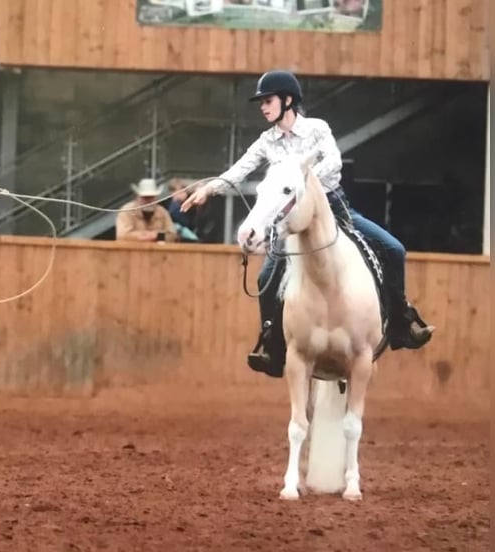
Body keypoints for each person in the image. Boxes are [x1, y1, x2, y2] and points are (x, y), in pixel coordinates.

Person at [181, 69, 434, 378]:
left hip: (334, 211)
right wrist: (208, 189)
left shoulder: (317, 129)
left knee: (394, 249)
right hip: (290, 224)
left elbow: (334, 162)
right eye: (261, 102)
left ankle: (400, 323)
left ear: (288, 101)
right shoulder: (266, 141)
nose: (263, 107)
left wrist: (299, 178)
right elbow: (240, 169)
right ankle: (272, 345)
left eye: (268, 100)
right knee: (264, 279)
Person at [115, 178, 178, 243]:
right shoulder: (127, 211)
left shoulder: (163, 212)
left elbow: (173, 235)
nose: (148, 200)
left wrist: (157, 236)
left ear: (156, 198)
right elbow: (121, 236)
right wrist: (144, 236)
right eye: (145, 197)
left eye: (151, 197)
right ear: (138, 197)